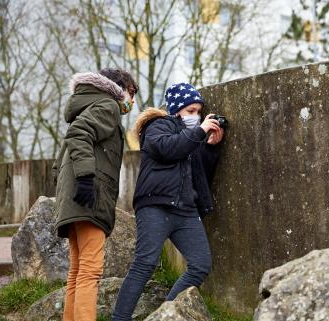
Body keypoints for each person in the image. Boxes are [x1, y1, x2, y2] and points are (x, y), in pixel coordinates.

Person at [111, 83, 224, 321]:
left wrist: (211, 148)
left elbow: (199, 174)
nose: (197, 116)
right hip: (155, 205)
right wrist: (199, 132)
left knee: (200, 265)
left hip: (185, 210)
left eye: (199, 111)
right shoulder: (157, 126)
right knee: (145, 263)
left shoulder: (193, 137)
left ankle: (166, 314)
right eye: (191, 111)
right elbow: (168, 149)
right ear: (176, 110)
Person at [53, 68, 138, 321]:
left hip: (73, 200)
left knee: (78, 270)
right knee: (90, 271)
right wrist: (87, 179)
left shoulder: (83, 108)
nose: (131, 101)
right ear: (117, 88)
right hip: (89, 197)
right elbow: (79, 134)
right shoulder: (108, 106)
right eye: (131, 93)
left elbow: (58, 165)